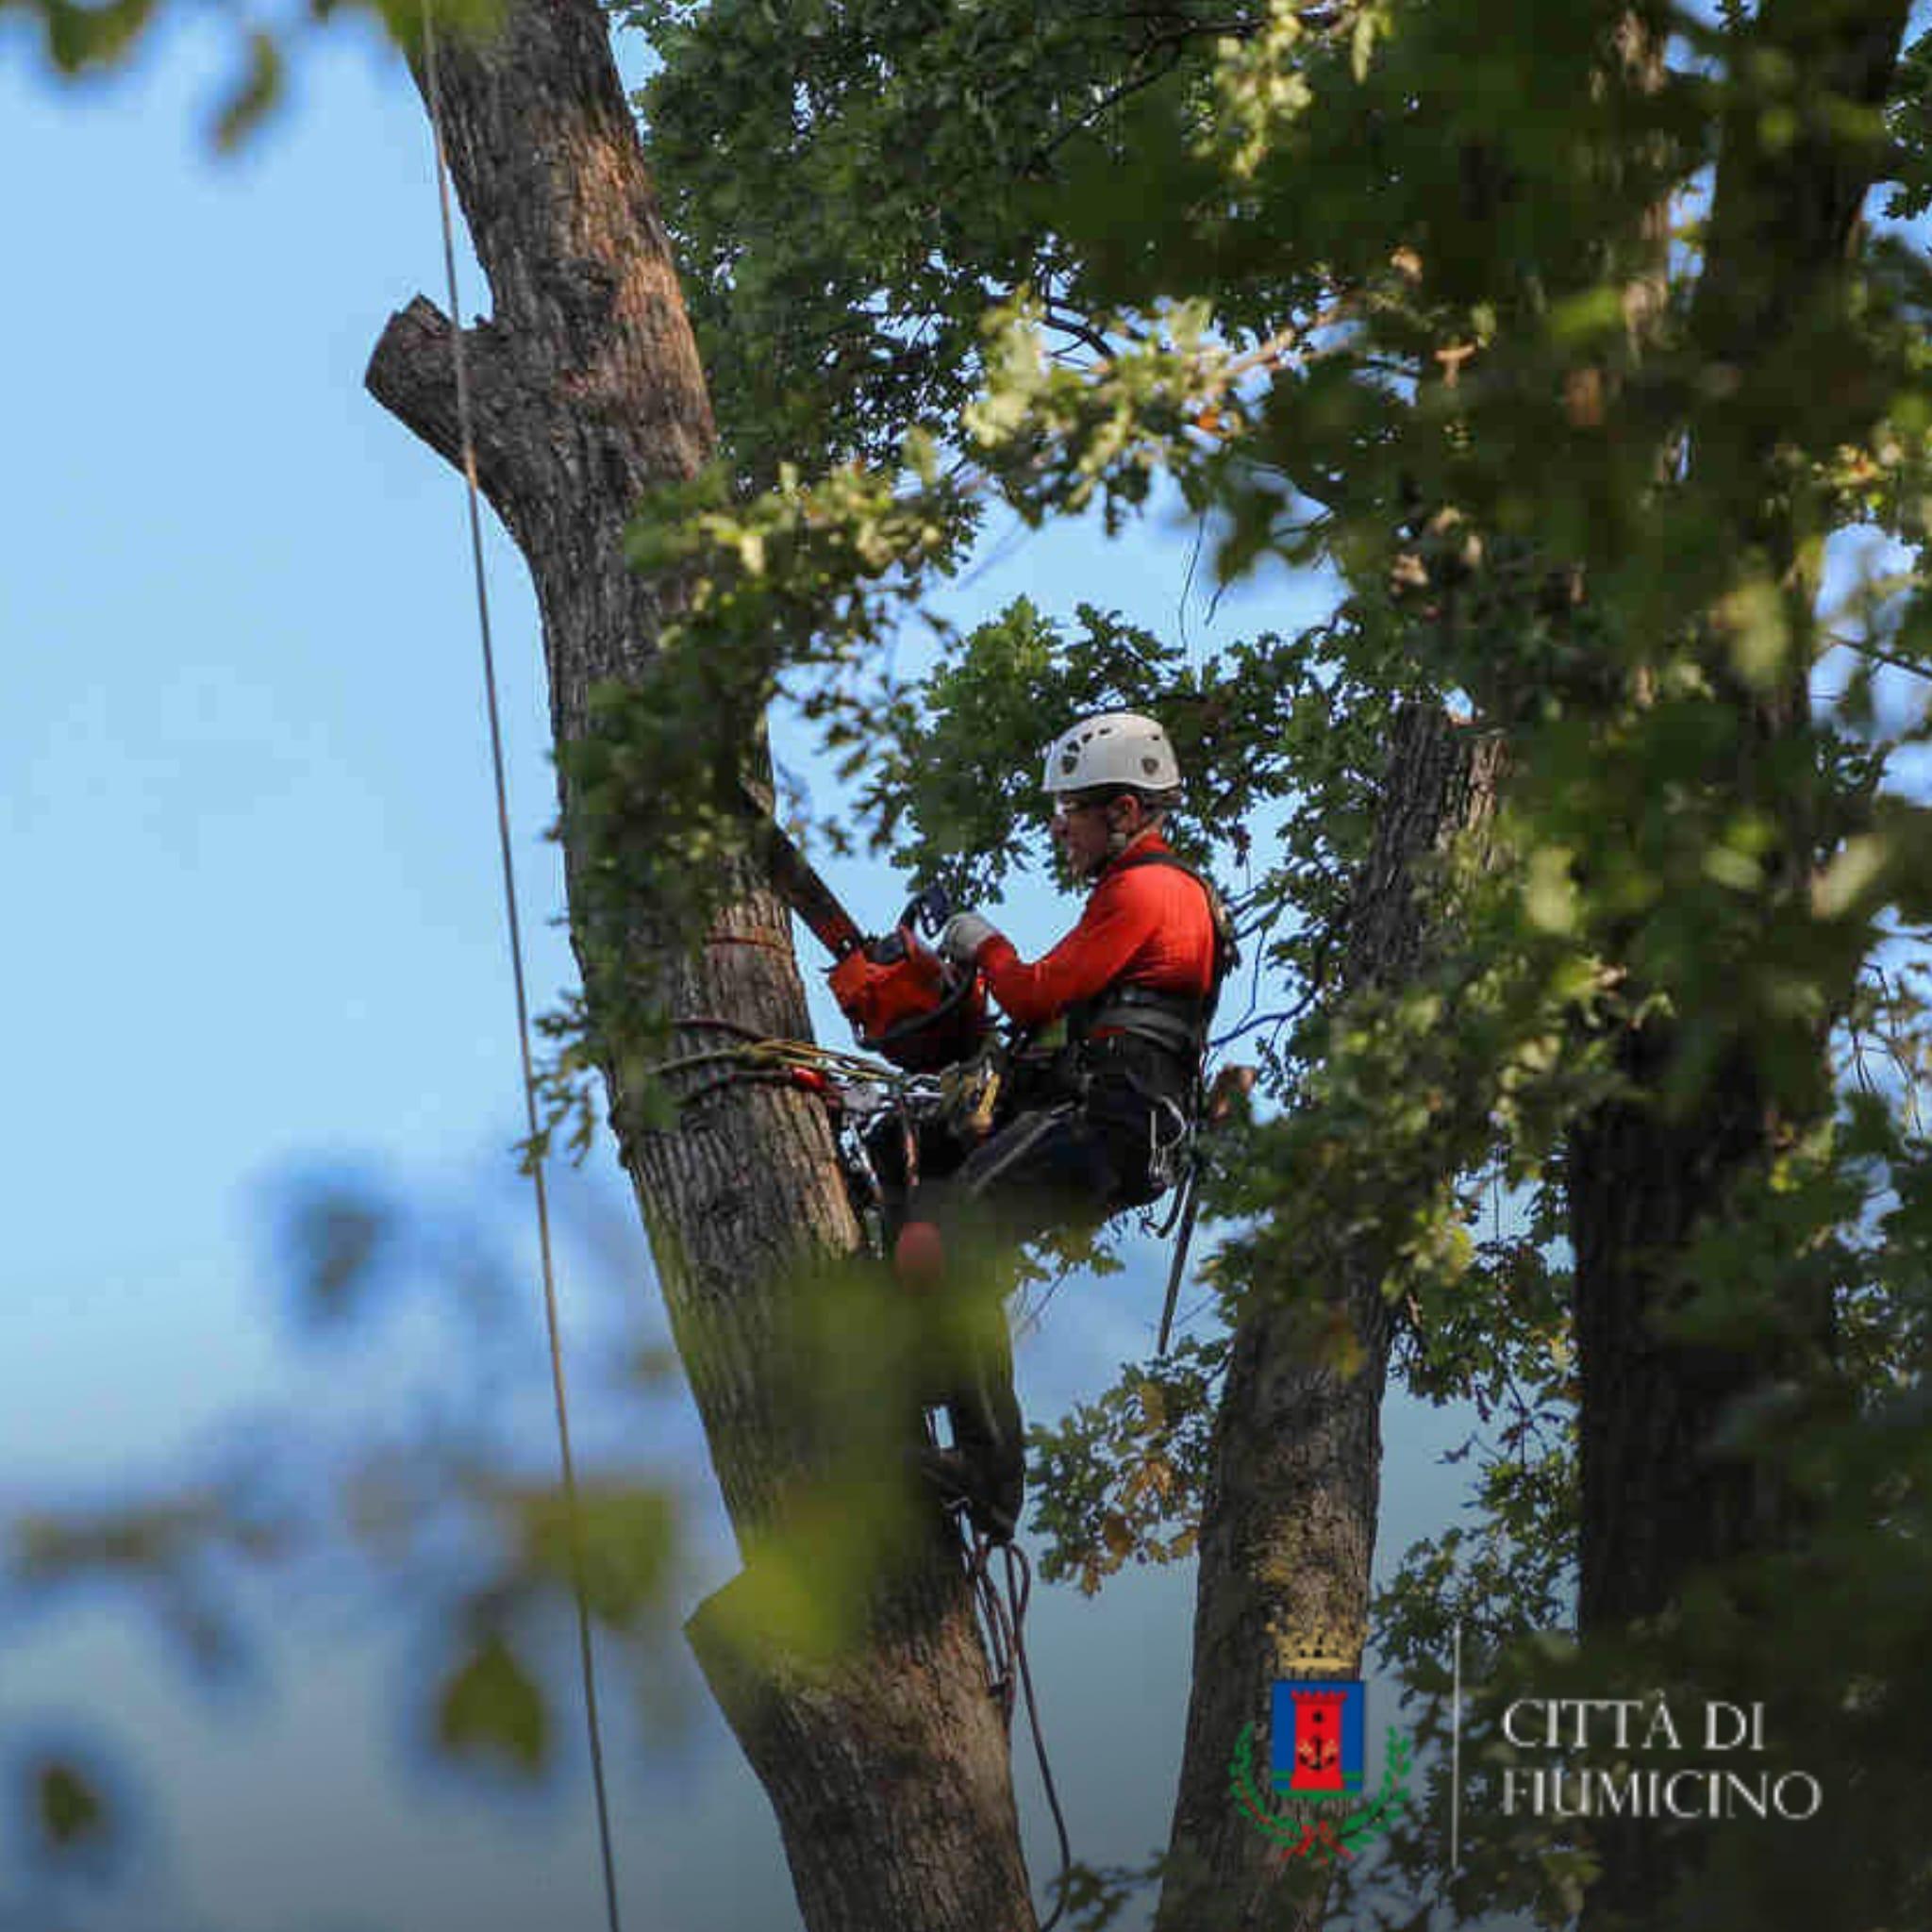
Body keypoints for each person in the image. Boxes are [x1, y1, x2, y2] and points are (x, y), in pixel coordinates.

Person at [886, 710, 1233, 1540]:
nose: (1058, 826)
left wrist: (984, 943)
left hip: (1116, 1116)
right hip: (1108, 1111)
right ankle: (925, 1368)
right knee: (925, 1170)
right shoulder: (1147, 894)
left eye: (1071, 808)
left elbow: (1040, 993)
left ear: (1122, 812)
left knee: (955, 1224)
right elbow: (1064, 1019)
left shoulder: (1148, 889)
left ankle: (990, 1469)